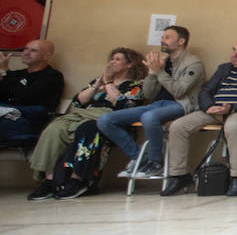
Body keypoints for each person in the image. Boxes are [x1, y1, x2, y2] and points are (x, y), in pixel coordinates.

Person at [27, 48, 146, 201]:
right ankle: (49, 181)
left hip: (109, 120)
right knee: (55, 128)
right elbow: (78, 102)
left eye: (117, 59)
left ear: (130, 64)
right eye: (111, 59)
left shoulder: (135, 86)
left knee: (88, 128)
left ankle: (79, 179)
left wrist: (109, 83)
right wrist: (97, 85)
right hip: (81, 115)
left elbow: (124, 107)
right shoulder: (99, 81)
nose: (112, 62)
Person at [161, 39, 237, 197]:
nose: (234, 55)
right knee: (178, 126)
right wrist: (208, 107)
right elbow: (205, 90)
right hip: (214, 109)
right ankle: (179, 175)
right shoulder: (223, 68)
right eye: (234, 50)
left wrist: (232, 108)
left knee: (233, 127)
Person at [100, 25, 203, 178]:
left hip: (181, 105)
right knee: (105, 120)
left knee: (149, 117)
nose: (163, 40)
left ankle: (156, 162)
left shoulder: (194, 63)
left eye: (167, 37)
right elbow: (148, 93)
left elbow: (179, 91)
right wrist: (152, 74)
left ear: (181, 41)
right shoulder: (163, 63)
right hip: (156, 104)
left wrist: (159, 72)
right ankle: (140, 159)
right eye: (162, 37)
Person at [0, 39, 64, 144]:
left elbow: (25, 97)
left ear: (46, 57)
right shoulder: (17, 74)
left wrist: (5, 73)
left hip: (29, 123)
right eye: (25, 49)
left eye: (33, 50)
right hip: (6, 117)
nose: (26, 53)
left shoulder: (53, 76)